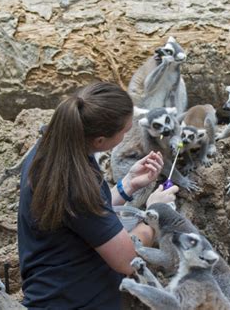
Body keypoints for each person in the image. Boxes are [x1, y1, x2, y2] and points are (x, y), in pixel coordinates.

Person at [17, 81, 179, 309]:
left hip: (53, 293)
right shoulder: (74, 180)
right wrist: (154, 215)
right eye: (125, 131)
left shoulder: (58, 149)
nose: (128, 134)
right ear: (100, 140)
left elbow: (87, 217)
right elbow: (129, 260)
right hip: (76, 301)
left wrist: (127, 185)